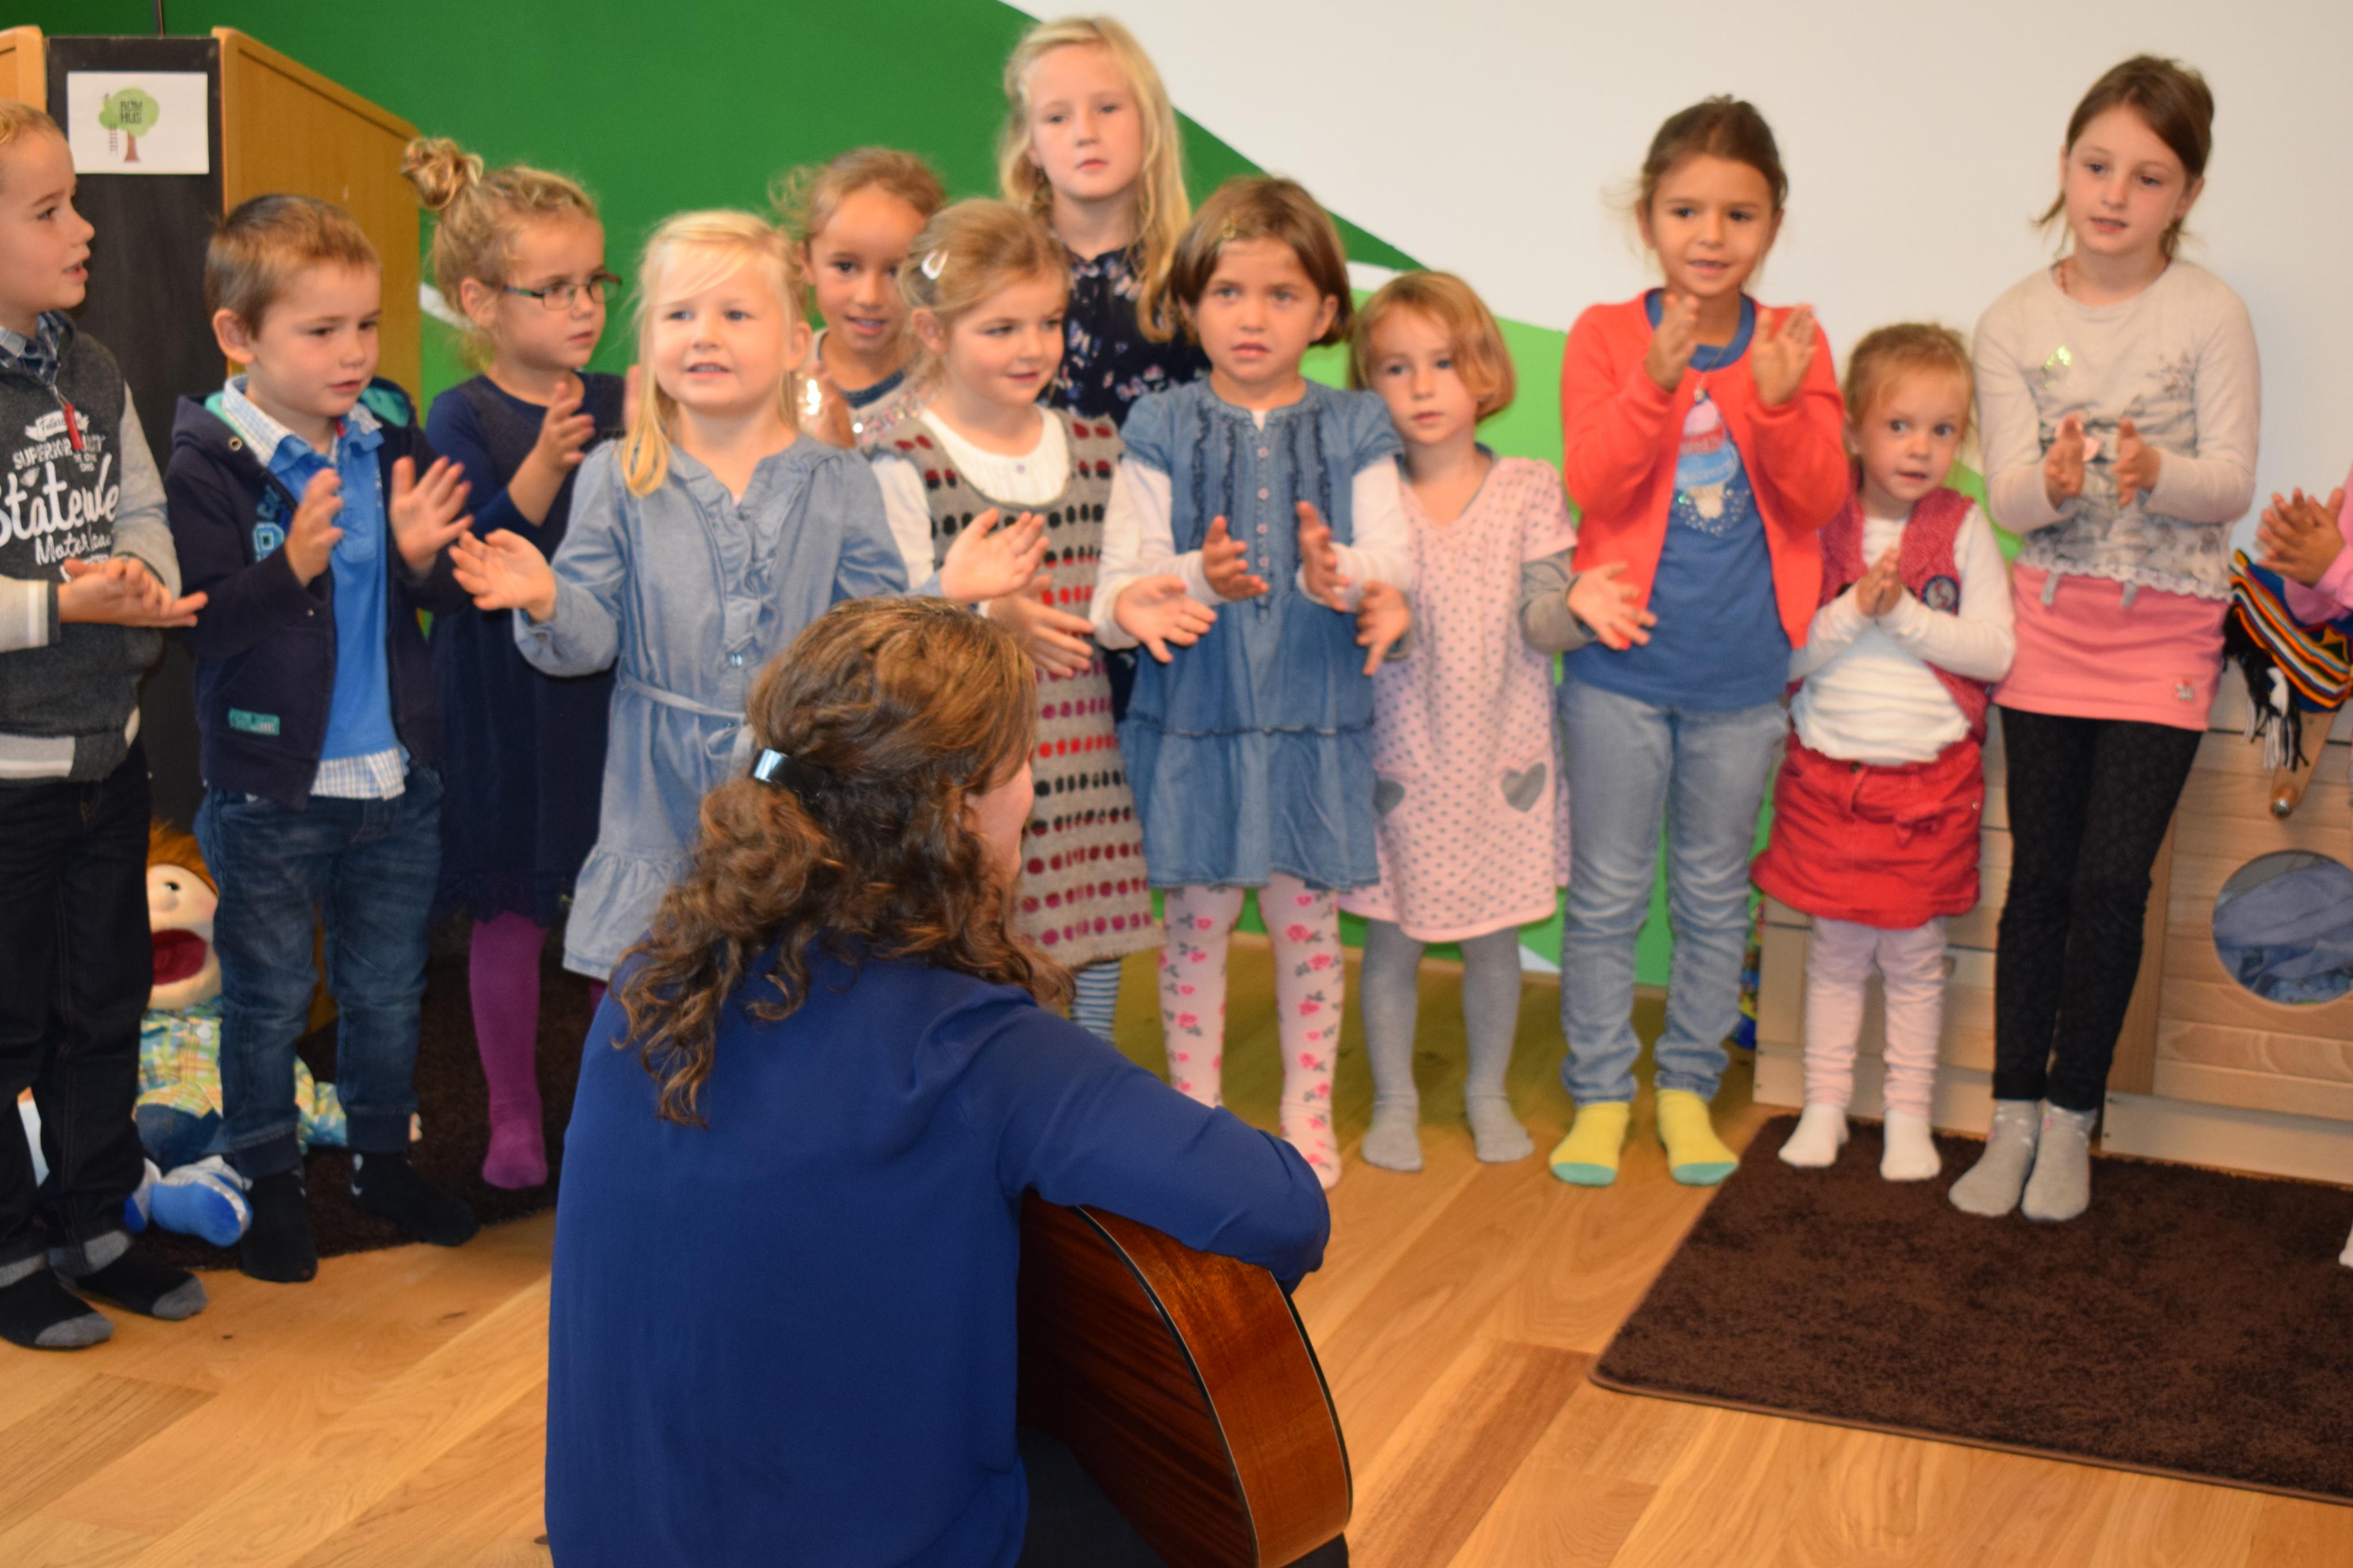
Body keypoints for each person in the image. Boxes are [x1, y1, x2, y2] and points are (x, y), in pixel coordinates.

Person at [545, 597, 1334, 1568]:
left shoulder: (652, 977)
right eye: (1023, 763)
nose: (1035, 791)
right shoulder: (977, 1047)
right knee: (1286, 1530)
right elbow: (1285, 1209)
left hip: (612, 1542)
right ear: (959, 809)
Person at [449, 210, 1045, 985]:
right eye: (679, 315)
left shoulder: (840, 480)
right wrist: (546, 598)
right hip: (656, 793)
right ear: (649, 340)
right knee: (649, 984)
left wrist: (945, 591)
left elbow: (867, 649)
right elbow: (588, 645)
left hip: (797, 790)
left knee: (783, 980)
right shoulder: (616, 475)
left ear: (795, 343)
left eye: (734, 314)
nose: (704, 335)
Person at [1955, 56, 2256, 1223]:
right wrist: (2056, 478)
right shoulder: (2011, 321)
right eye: (2096, 166)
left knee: (2109, 883)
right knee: (2037, 881)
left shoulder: (2209, 312)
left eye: (2148, 176)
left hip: (2166, 640)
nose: (2114, 195)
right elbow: (2007, 500)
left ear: (2187, 194)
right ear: (2065, 167)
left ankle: (2074, 1120)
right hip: (2049, 636)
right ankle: (2010, 1120)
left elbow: (2228, 482)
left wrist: (2154, 471)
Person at [168, 195, 484, 1281]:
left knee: (388, 989)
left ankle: (381, 1162)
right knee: (265, 999)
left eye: (367, 325)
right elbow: (203, 625)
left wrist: (419, 558)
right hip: (269, 789)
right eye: (321, 330)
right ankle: (268, 1180)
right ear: (238, 336)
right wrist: (290, 566)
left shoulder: (385, 433)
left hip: (394, 778)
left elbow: (427, 596)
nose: (354, 353)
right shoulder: (207, 462)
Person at [1549, 97, 1847, 1188]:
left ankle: (1685, 1088)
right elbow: (1596, 483)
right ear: (1647, 218)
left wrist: (1777, 405)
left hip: (1741, 680)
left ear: (1773, 225)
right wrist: (1656, 379)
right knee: (1608, 895)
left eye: (1738, 213)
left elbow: (1818, 500)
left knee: (1716, 896)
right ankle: (1598, 1093)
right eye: (1686, 210)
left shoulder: (1793, 342)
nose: (1711, 235)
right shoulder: (1604, 335)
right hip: (1619, 677)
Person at [1094, 176, 1414, 1188]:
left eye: (1282, 295)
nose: (1252, 317)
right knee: (1197, 924)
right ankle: (1194, 1112)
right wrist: (1193, 579)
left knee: (1304, 925)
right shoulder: (1159, 422)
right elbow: (1117, 586)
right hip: (1197, 717)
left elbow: (1396, 561)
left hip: (1313, 718)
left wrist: (1337, 572)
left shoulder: (1358, 423)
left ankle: (1305, 1113)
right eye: (1228, 292)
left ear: (1324, 313)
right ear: (1190, 304)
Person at [1340, 271, 1650, 1172]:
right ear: (1368, 386)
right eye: (1397, 367)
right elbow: (1363, 623)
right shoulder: (1369, 496)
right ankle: (1395, 1097)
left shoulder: (1526, 487)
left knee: (1493, 941)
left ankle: (1486, 1091)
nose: (1423, 386)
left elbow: (1541, 621)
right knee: (1392, 939)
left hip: (1501, 761)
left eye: (1443, 362)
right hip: (1402, 756)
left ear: (1483, 373)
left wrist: (1579, 604)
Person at [0, 99, 210, 1348]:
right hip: (8, 781)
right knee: (7, 1026)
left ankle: (95, 1222)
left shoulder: (92, 366)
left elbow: (139, 503)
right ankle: (10, 1247)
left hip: (106, 762)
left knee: (104, 1006)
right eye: (50, 210)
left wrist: (137, 574)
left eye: (76, 199)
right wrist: (56, 604)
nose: (84, 228)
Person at [862, 199, 1157, 1041]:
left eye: (1048, 322)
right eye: (1000, 328)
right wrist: (987, 612)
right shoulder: (900, 457)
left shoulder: (1097, 445)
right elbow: (884, 623)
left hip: (1078, 746)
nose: (1032, 347)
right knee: (978, 942)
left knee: (1091, 935)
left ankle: (1086, 1078)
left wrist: (1131, 606)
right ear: (933, 331)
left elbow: (1113, 588)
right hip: (967, 761)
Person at [402, 136, 626, 1189]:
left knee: (620, 909)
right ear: (480, 301)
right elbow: (457, 570)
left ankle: (616, 1114)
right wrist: (540, 467)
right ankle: (513, 1117)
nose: (583, 306)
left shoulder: (624, 400)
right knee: (510, 912)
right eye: (554, 289)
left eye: (594, 282)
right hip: (501, 704)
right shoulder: (463, 414)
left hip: (607, 698)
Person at [1751, 324, 2015, 1180]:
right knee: (1834, 955)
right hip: (1827, 780)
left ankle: (1908, 1118)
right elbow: (1785, 657)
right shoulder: (1821, 525)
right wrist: (1853, 610)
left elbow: (1995, 653)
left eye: (1943, 430)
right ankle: (1825, 1107)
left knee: (1912, 960)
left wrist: (1903, 615)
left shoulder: (1964, 528)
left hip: (1930, 789)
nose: (1921, 448)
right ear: (1855, 430)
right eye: (1900, 426)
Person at [998, 13, 1208, 427]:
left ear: (1149, 122)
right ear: (1030, 145)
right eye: (1057, 117)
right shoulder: (994, 273)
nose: (1085, 133)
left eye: (1108, 108)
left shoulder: (1196, 278)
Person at [778, 145, 945, 446]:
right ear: (806, 262)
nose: (869, 297)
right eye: (845, 267)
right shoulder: (776, 382)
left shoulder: (953, 388)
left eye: (895, 271)